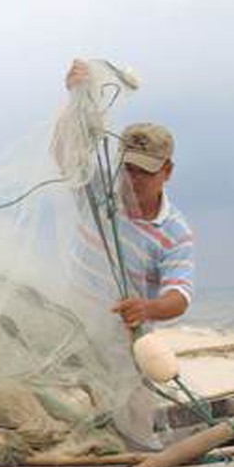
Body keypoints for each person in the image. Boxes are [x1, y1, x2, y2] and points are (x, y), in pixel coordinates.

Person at [63, 59, 195, 331]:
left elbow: (179, 297)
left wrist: (147, 308)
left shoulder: (174, 232)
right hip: (71, 323)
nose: (133, 179)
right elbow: (65, 153)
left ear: (167, 171)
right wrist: (75, 98)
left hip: (122, 340)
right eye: (128, 168)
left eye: (145, 171)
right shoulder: (99, 188)